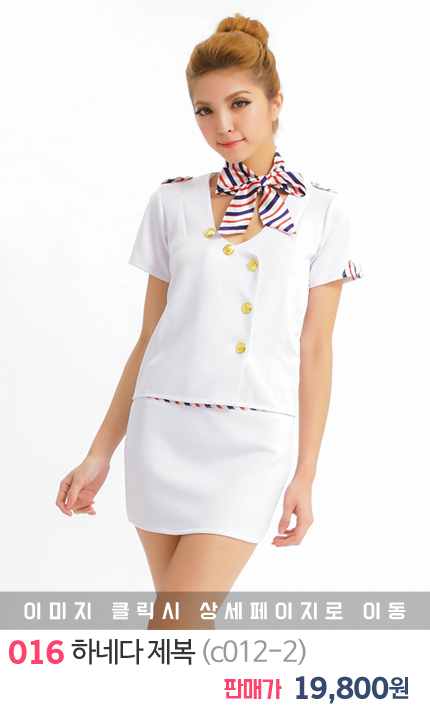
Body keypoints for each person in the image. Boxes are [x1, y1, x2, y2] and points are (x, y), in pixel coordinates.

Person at [55, 13, 363, 629]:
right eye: (204, 110)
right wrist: (99, 454)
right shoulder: (172, 202)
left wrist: (305, 474)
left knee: (176, 627)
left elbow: (316, 350)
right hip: (161, 432)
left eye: (239, 103)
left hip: (253, 444)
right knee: (180, 636)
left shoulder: (323, 212)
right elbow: (150, 338)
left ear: (276, 103)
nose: (222, 124)